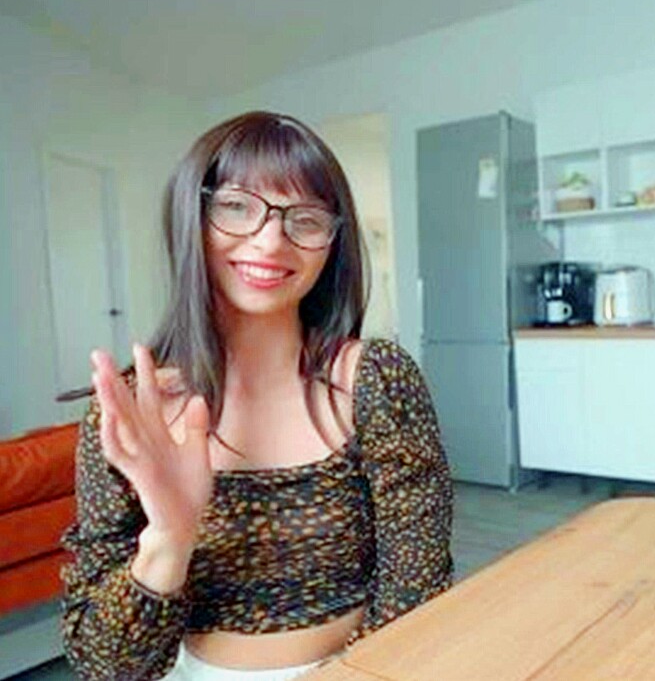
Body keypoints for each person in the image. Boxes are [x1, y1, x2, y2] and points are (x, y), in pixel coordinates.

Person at [60, 111, 454, 680]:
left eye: (306, 218)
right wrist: (170, 536)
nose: (271, 241)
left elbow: (417, 590)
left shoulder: (378, 379)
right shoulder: (129, 413)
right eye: (237, 206)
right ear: (192, 216)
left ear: (332, 243)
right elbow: (105, 666)